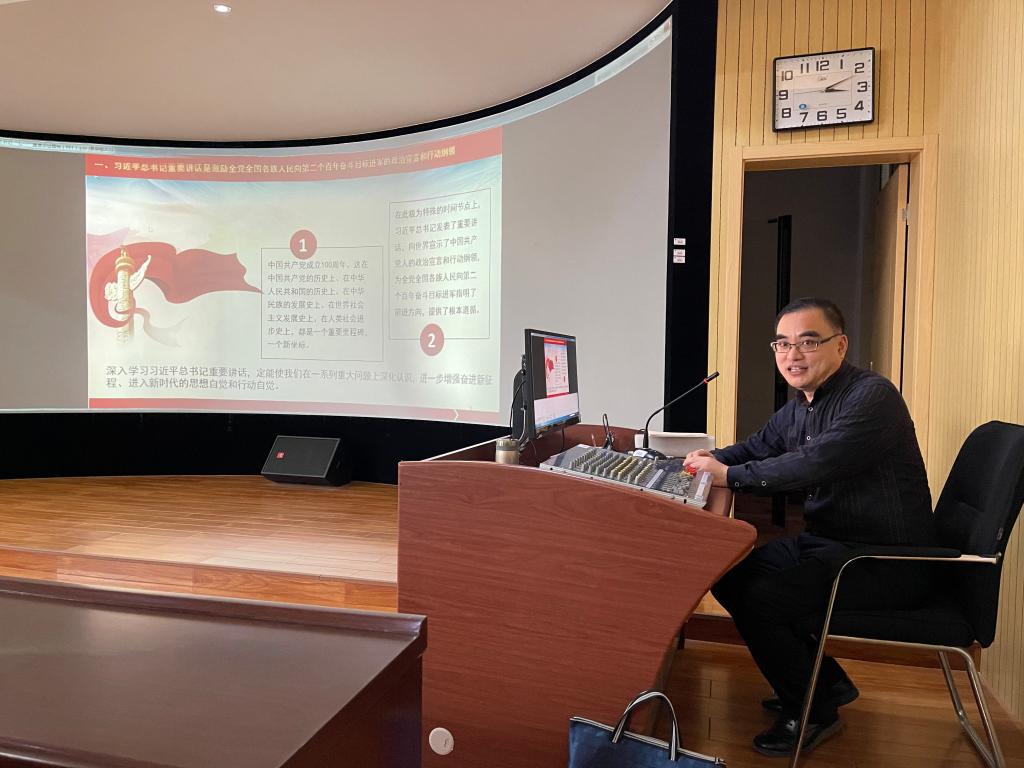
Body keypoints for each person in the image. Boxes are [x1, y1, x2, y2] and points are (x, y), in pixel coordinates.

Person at [685, 297, 936, 758]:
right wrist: (710, 459)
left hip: (882, 560)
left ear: (840, 346)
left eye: (808, 342)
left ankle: (813, 709)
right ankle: (824, 684)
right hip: (831, 545)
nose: (792, 355)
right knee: (729, 575)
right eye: (782, 344)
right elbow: (758, 447)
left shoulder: (871, 397)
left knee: (762, 598)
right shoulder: (802, 404)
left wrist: (728, 475)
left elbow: (813, 463)